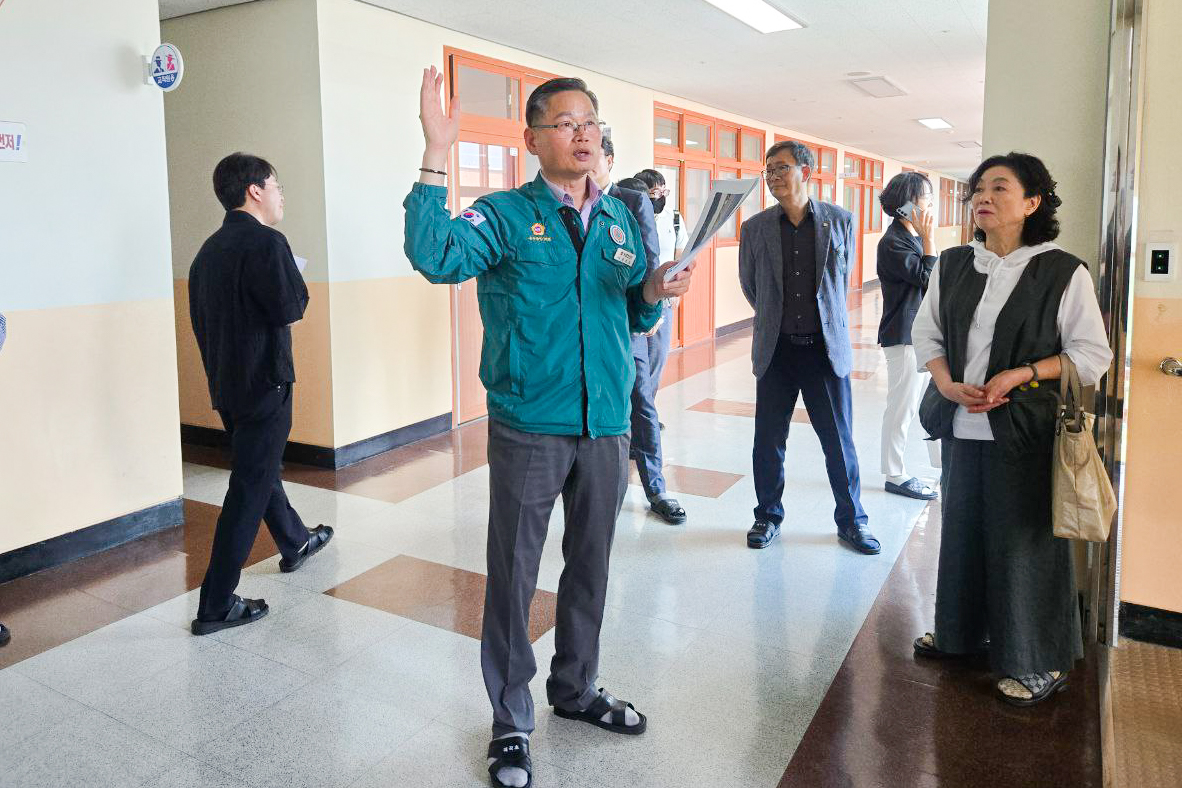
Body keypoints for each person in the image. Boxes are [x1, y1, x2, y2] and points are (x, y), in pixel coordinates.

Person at [405, 68, 695, 788]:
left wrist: (656, 291)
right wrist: (436, 151)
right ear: (533, 140)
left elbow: (635, 311)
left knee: (591, 565)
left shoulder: (621, 217)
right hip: (531, 423)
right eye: (566, 123)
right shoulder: (504, 215)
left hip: (607, 423)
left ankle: (575, 687)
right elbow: (435, 257)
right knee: (514, 573)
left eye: (590, 123)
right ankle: (510, 720)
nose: (583, 134)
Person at [911, 152, 1112, 706]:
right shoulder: (954, 263)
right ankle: (959, 635)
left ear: (1032, 202)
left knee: (1024, 545)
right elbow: (926, 333)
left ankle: (1039, 660)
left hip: (1024, 430)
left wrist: (1022, 373)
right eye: (979, 188)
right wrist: (946, 383)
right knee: (962, 535)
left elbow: (1091, 356)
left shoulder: (1061, 271)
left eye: (1000, 187)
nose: (984, 196)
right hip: (960, 423)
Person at [188, 152, 333, 636]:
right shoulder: (268, 242)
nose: (280, 195)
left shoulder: (207, 251)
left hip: (227, 385)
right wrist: (294, 277)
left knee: (259, 468)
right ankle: (215, 604)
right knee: (249, 486)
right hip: (265, 384)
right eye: (276, 186)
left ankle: (295, 541)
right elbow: (290, 307)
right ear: (255, 190)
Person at [738, 140, 879, 554]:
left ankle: (852, 521)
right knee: (768, 441)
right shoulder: (756, 228)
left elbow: (840, 281)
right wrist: (774, 317)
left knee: (838, 441)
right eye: (769, 171)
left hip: (824, 351)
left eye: (781, 168)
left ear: (806, 172)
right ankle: (767, 516)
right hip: (777, 350)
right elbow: (751, 286)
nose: (774, 177)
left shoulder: (841, 221)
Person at [592, 141, 686, 525]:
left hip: (627, 323)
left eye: (593, 152)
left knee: (642, 401)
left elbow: (649, 261)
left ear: (609, 160)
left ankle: (656, 488)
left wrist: (651, 308)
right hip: (581, 326)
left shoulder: (631, 200)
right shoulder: (562, 202)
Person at [876, 171, 939, 500]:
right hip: (904, 336)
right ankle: (895, 473)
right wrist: (930, 239)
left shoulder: (910, 237)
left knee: (924, 403)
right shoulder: (893, 242)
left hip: (921, 335)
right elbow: (928, 279)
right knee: (901, 407)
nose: (930, 205)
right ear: (907, 205)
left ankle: (937, 465)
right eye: (925, 199)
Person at [633, 168, 687, 417]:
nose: (660, 197)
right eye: (654, 192)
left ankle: (647, 413)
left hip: (663, 300)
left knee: (656, 358)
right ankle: (633, 414)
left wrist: (677, 290)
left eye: (664, 191)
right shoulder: (631, 213)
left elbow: (680, 255)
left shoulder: (673, 218)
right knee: (634, 361)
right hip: (634, 298)